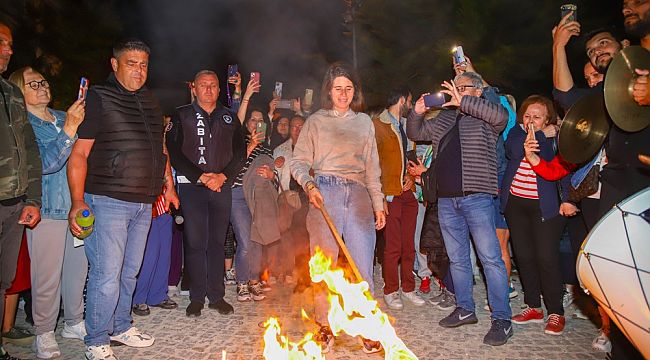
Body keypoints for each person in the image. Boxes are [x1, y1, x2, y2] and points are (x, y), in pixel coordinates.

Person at [68, 38, 177, 360]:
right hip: (107, 199)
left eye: (144, 64)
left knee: (130, 271)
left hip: (144, 201)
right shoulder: (99, 99)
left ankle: (120, 325)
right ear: (114, 64)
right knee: (107, 274)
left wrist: (167, 184)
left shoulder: (150, 101)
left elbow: (159, 149)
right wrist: (78, 201)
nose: (139, 70)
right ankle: (96, 339)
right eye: (131, 63)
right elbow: (79, 154)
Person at [406, 71, 511, 346]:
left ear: (477, 91)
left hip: (477, 197)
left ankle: (502, 319)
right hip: (446, 200)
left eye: (462, 87)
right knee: (458, 259)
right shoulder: (445, 118)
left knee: (490, 259)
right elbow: (415, 132)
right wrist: (416, 112)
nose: (455, 90)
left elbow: (503, 118)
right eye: (454, 87)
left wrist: (463, 100)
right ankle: (465, 309)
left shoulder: (487, 116)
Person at [291, 62, 386, 354]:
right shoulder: (316, 121)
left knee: (362, 267)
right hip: (325, 192)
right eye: (337, 89)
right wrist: (309, 185)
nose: (343, 94)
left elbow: (372, 168)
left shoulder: (364, 123)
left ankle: (367, 327)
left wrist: (378, 202)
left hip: (358, 193)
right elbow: (298, 162)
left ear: (354, 92)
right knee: (325, 265)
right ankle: (324, 326)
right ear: (329, 92)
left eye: (348, 89)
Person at [8, 66, 87, 359]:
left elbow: (81, 159)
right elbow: (45, 164)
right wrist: (70, 130)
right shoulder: (22, 124)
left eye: (43, 82)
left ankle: (74, 322)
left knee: (78, 271)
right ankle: (43, 332)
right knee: (47, 276)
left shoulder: (64, 116)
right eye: (33, 84)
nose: (42, 87)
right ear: (19, 92)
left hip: (78, 207)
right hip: (49, 209)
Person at [166, 70, 244, 317]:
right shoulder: (181, 115)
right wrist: (199, 176)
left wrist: (223, 176)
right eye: (203, 85)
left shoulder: (230, 117)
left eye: (213, 85)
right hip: (192, 186)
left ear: (220, 90)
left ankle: (217, 295)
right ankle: (196, 297)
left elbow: (240, 152)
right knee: (195, 242)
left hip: (221, 186)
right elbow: (173, 150)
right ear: (194, 88)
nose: (208, 89)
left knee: (217, 242)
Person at [501, 95, 575, 336]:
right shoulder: (515, 133)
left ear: (548, 119)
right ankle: (533, 306)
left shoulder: (559, 139)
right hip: (516, 204)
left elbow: (563, 170)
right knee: (524, 256)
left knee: (546, 257)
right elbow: (513, 152)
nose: (531, 120)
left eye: (538, 116)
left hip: (546, 206)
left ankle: (555, 311)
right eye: (527, 115)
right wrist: (543, 134)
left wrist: (567, 200)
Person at [0, 21, 42, 360]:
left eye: (10, 44)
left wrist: (33, 198)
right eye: (1, 42)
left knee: (4, 279)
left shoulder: (11, 93)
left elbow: (27, 148)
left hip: (14, 204)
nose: (8, 50)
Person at [372, 86, 425, 309]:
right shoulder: (377, 125)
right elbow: (372, 162)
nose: (411, 106)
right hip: (390, 194)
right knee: (392, 246)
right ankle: (391, 290)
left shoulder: (406, 126)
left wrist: (412, 179)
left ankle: (409, 288)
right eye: (410, 102)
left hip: (408, 194)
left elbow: (410, 159)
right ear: (402, 100)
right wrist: (380, 194)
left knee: (408, 245)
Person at [132, 117, 179, 316]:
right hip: (146, 200)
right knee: (148, 253)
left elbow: (165, 160)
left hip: (163, 200)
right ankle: (137, 298)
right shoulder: (136, 139)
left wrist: (170, 189)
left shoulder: (161, 141)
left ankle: (158, 294)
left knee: (163, 251)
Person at [229, 108, 274, 302]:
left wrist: (271, 175)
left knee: (258, 239)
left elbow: (274, 175)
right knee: (245, 242)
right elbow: (230, 168)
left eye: (261, 120)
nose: (257, 123)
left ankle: (254, 281)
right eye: (253, 119)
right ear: (246, 123)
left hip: (259, 196)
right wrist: (250, 147)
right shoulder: (237, 142)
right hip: (238, 194)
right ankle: (241, 282)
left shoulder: (267, 148)